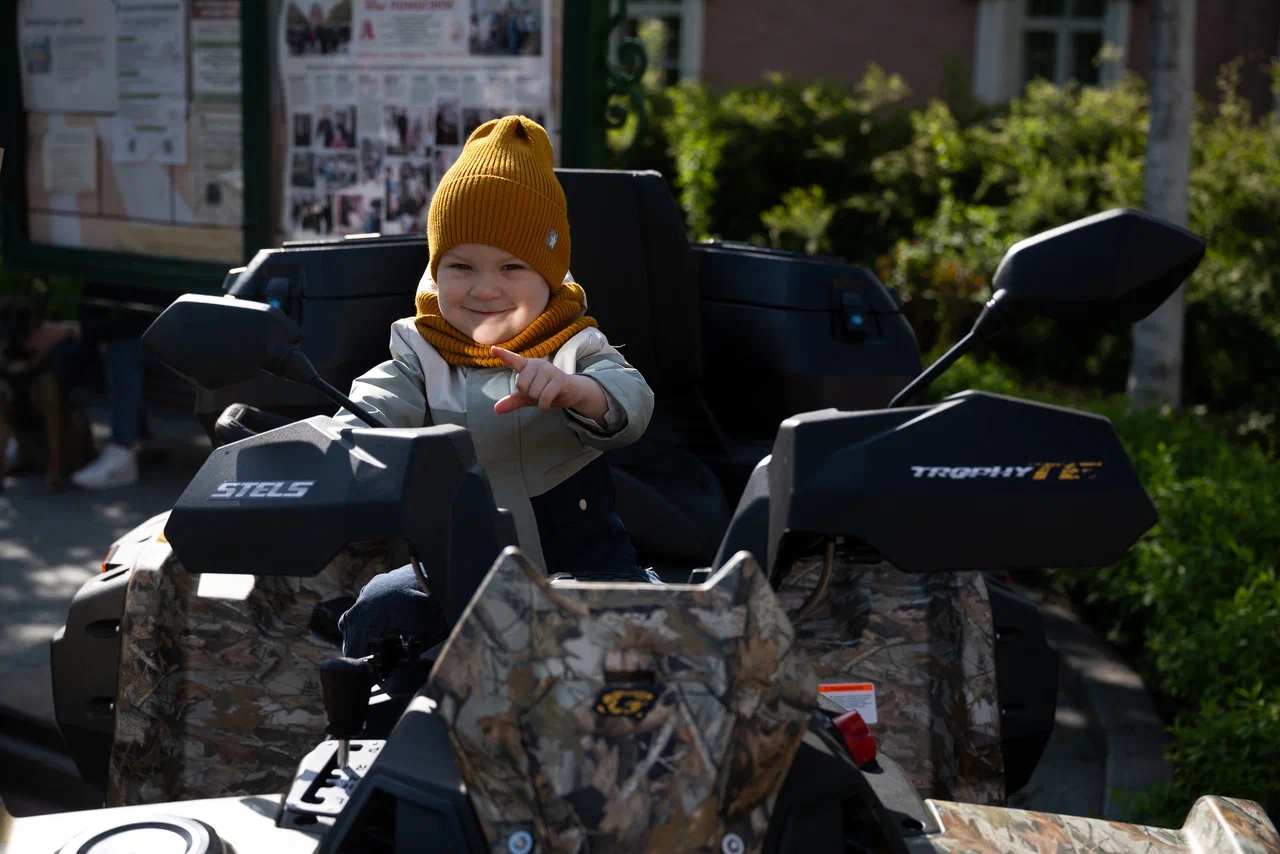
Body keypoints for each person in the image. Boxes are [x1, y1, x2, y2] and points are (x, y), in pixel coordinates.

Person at [334, 115, 655, 658]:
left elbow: (630, 398)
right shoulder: (422, 351)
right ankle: (386, 699)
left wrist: (576, 391)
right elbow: (377, 401)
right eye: (461, 266)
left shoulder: (572, 345)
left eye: (511, 268)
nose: (485, 289)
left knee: (641, 636)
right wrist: (338, 439)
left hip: (581, 560)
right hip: (458, 568)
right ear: (436, 272)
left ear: (548, 276)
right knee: (378, 608)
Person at [11, 312, 149, 489]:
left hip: (159, 333)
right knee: (61, 350)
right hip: (112, 329)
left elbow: (145, 320)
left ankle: (122, 451)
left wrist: (78, 330)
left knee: (121, 353)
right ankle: (30, 442)